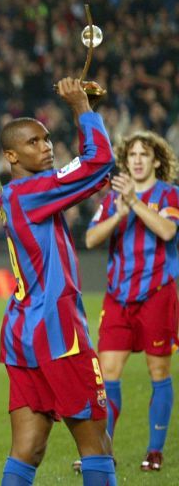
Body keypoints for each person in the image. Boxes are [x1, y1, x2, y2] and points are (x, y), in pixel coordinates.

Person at [0, 78, 116, 486]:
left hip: (22, 331)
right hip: (59, 330)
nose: (46, 147)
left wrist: (86, 112)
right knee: (97, 444)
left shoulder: (18, 194)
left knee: (28, 448)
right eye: (33, 142)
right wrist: (82, 106)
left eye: (47, 140)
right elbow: (99, 163)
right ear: (11, 154)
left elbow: (92, 174)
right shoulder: (32, 191)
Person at [85, 130, 179, 472]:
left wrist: (135, 204)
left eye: (144, 154)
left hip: (157, 295)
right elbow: (92, 238)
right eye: (132, 155)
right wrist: (120, 212)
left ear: (156, 160)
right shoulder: (113, 200)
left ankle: (154, 451)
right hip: (118, 297)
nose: (137, 160)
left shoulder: (170, 194)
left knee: (158, 371)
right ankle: (102, 451)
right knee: (107, 372)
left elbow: (168, 231)